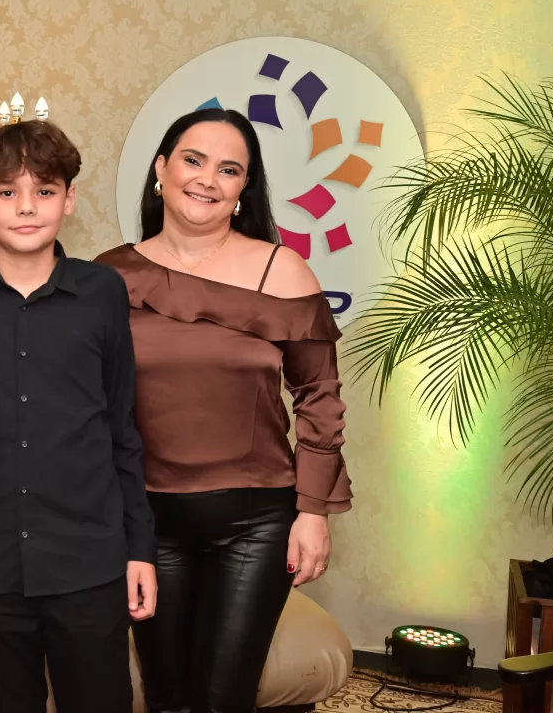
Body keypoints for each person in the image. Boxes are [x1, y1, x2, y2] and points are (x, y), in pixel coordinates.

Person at [96, 107, 352, 713]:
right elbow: (84, 406)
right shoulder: (107, 277)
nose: (208, 179)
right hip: (145, 522)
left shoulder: (282, 270)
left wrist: (312, 511)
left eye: (229, 169)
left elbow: (319, 396)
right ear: (161, 170)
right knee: (166, 698)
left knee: (224, 699)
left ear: (243, 190)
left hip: (256, 523)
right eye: (193, 160)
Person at [0, 120, 157, 713]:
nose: (26, 207)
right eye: (7, 192)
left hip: (90, 563)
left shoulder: (103, 292)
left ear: (69, 199)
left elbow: (122, 429)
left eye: (44, 191)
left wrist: (140, 548)